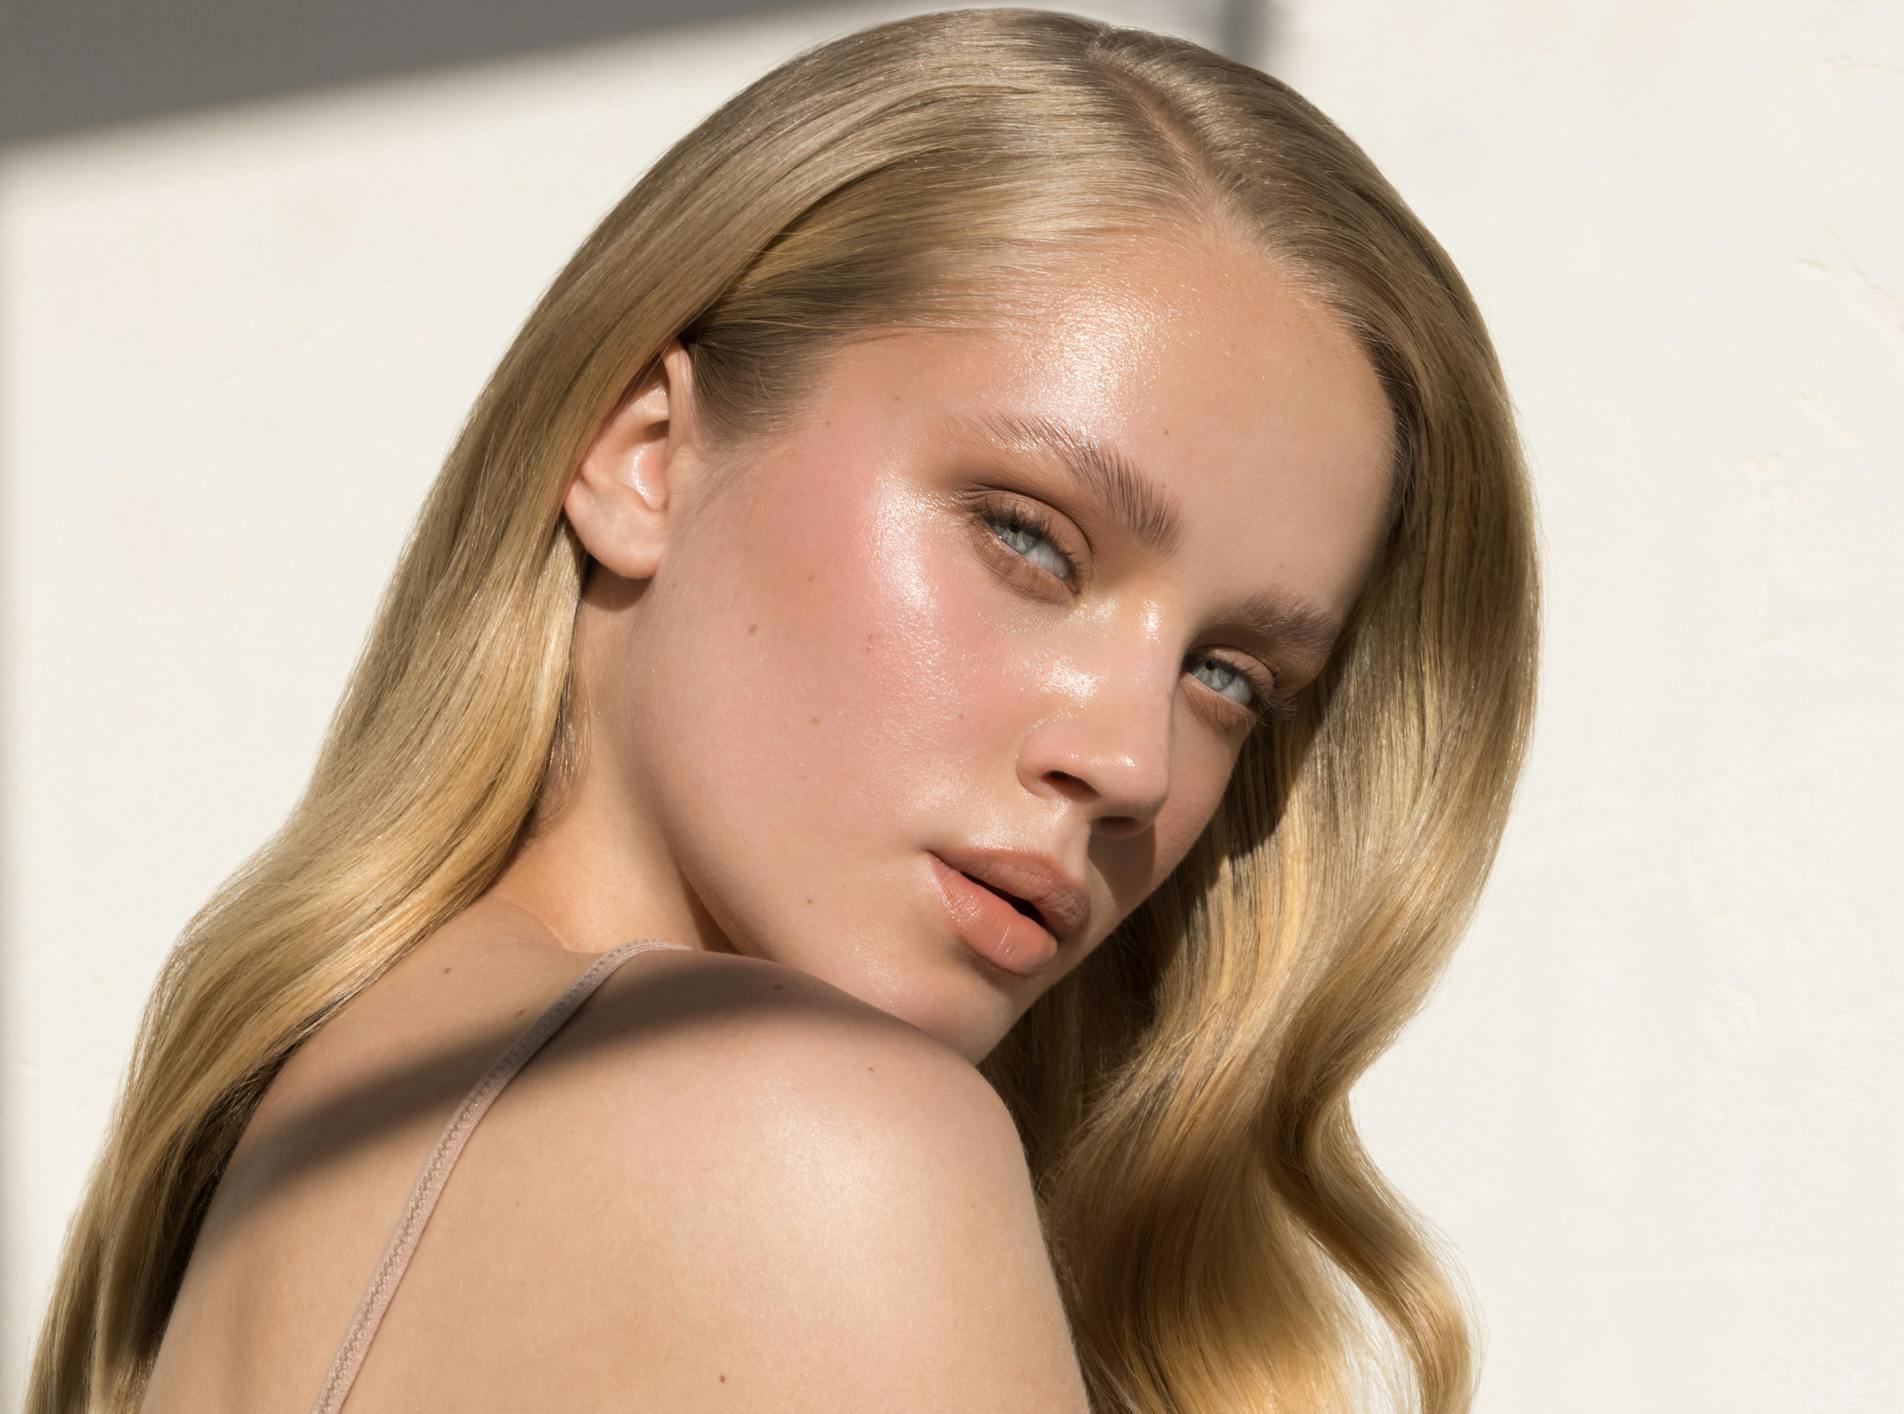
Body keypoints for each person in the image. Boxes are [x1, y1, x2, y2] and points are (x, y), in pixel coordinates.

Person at [29, 9, 1538, 1412]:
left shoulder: (323, 1124)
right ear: (644, 457)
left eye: (1230, 676)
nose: (1133, 761)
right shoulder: (817, 1143)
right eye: (1029, 539)